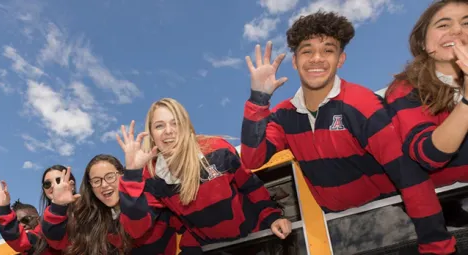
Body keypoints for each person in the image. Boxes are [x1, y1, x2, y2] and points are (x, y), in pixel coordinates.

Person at [240, 11, 456, 254]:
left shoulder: (361, 104)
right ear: (294, 60)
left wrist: (437, 246)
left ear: (341, 59)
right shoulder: (284, 114)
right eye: (307, 51)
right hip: (338, 232)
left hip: (391, 219)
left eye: (328, 50)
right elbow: (252, 159)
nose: (316, 59)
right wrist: (258, 99)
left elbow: (409, 175)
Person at [117, 100, 292, 254]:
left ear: (186, 126)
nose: (168, 131)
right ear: (152, 135)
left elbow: (250, 186)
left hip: (256, 238)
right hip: (211, 248)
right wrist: (132, 174)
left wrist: (272, 217)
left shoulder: (217, 150)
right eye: (159, 126)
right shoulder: (153, 176)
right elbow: (136, 230)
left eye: (175, 123)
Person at [384, 0, 468, 227]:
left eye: (466, 23)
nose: (458, 30)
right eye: (443, 25)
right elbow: (429, 155)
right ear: (422, 42)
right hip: (439, 205)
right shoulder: (406, 87)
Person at [41, 154, 179, 255]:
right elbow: (57, 241)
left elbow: (137, 228)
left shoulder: (149, 199)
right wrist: (58, 206)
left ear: (122, 175)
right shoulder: (90, 218)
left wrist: (133, 177)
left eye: (110, 176)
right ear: (91, 188)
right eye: (96, 181)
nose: (104, 185)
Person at [0, 165, 78, 255]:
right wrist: (3, 209)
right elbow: (22, 242)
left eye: (59, 181)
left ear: (72, 184)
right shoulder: (42, 227)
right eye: (47, 184)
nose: (53, 186)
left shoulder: (87, 211)